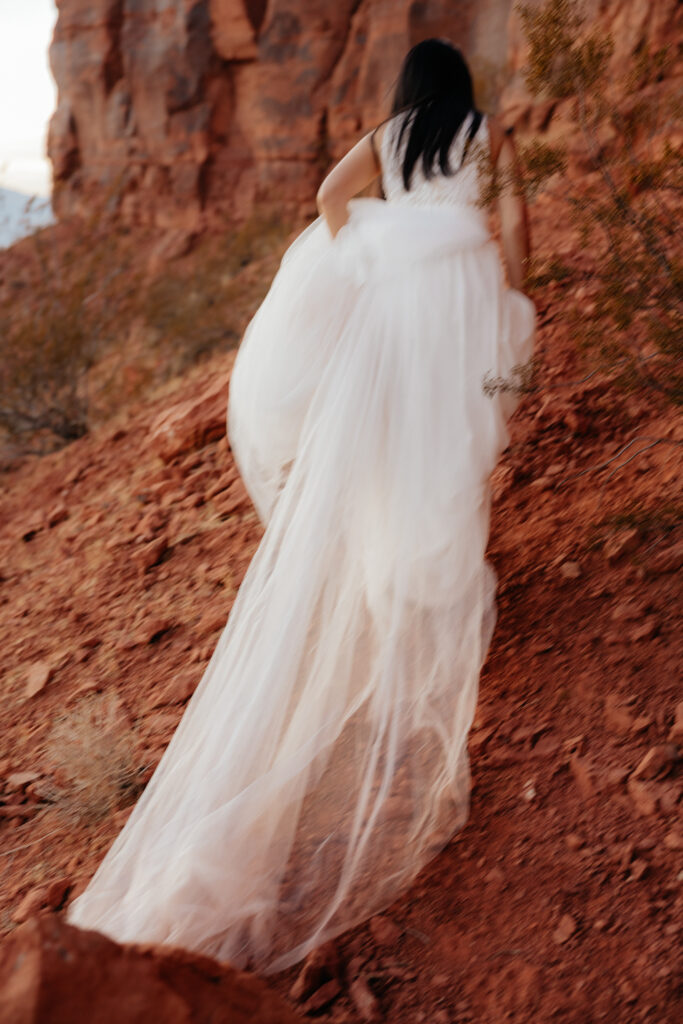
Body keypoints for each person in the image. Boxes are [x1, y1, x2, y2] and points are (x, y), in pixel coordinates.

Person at [66, 38, 535, 975]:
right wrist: (513, 294)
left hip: (397, 305)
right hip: (461, 300)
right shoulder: (488, 133)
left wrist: (367, 252)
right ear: (463, 90)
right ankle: (428, 577)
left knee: (385, 443)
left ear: (408, 90)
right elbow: (516, 224)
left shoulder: (389, 136)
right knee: (444, 446)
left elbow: (327, 198)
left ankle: (388, 583)